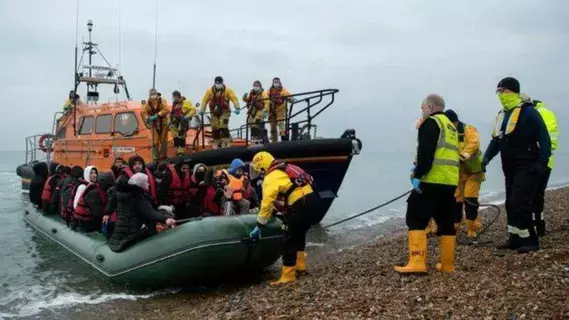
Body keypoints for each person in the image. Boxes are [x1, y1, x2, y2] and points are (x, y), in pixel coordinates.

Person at [482, 77, 551, 253]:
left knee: (521, 201)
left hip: (527, 164)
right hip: (510, 166)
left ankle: (531, 240)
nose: (500, 95)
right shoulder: (502, 115)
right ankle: (514, 237)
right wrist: (485, 160)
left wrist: (542, 162)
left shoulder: (528, 112)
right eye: (498, 92)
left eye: (503, 91)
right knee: (510, 203)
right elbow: (496, 142)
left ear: (513, 91)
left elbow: (544, 138)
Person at [394, 94, 459, 274]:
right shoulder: (450, 127)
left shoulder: (430, 123)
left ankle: (416, 262)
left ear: (430, 107)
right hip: (449, 181)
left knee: (415, 215)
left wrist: (418, 173)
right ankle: (447, 265)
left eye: (422, 107)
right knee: (445, 221)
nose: (421, 111)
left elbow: (426, 152)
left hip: (431, 180)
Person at [248, 151, 321, 285]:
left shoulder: (271, 177)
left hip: (301, 204)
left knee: (288, 238)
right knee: (299, 234)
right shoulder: (288, 168)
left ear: (262, 167)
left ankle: (288, 275)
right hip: (314, 201)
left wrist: (259, 225)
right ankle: (300, 266)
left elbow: (267, 203)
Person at [444, 109, 486, 239]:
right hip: (457, 174)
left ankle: (472, 228)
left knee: (470, 198)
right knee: (456, 200)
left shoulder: (468, 129)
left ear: (454, 122)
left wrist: (463, 155)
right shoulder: (446, 133)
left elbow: (474, 144)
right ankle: (455, 225)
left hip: (473, 172)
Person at [109, 173, 176, 252]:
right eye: (146, 182)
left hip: (122, 230)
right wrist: (165, 219)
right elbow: (149, 212)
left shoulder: (125, 195)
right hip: (132, 230)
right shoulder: (138, 196)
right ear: (141, 184)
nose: (148, 184)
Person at [524, 96, 558, 237]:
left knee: (533, 195)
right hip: (544, 161)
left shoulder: (538, 113)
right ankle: (539, 226)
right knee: (537, 195)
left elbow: (549, 141)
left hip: (540, 161)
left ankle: (536, 227)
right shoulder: (543, 112)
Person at [200, 76, 241, 148]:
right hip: (214, 112)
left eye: (220, 83)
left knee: (223, 125)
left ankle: (226, 141)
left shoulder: (228, 90)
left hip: (225, 112)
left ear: (222, 83)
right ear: (215, 83)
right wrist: (202, 109)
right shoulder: (209, 91)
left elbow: (234, 99)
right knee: (214, 126)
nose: (218, 84)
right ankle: (217, 142)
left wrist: (237, 107)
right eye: (217, 83)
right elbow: (204, 100)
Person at [72, 167, 114, 232]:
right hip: (85, 221)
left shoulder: (95, 188)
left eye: (95, 173)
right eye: (91, 173)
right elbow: (76, 206)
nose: (94, 175)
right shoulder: (84, 187)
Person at [142, 88, 170, 162]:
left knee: (163, 140)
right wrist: (148, 117)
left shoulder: (162, 101)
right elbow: (143, 112)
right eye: (151, 94)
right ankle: (156, 158)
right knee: (155, 142)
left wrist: (157, 115)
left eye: (154, 93)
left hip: (163, 123)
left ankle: (164, 156)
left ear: (156, 94)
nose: (153, 95)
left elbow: (166, 109)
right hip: (154, 124)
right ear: (149, 95)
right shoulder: (147, 103)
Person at [170, 90, 197, 156]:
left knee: (181, 137)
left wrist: (187, 117)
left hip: (182, 122)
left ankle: (181, 152)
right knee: (175, 136)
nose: (173, 98)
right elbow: (172, 113)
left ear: (177, 96)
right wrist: (170, 121)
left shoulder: (186, 102)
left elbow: (193, 110)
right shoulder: (175, 104)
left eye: (173, 97)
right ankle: (177, 151)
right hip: (175, 122)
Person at [267, 77, 293, 142]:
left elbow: (289, 96)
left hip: (280, 110)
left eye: (277, 81)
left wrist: (291, 99)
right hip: (271, 111)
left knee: (281, 124)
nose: (276, 83)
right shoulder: (269, 91)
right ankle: (274, 141)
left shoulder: (283, 90)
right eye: (275, 82)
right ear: (272, 83)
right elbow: (264, 97)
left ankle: (283, 139)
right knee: (273, 128)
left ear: (279, 82)